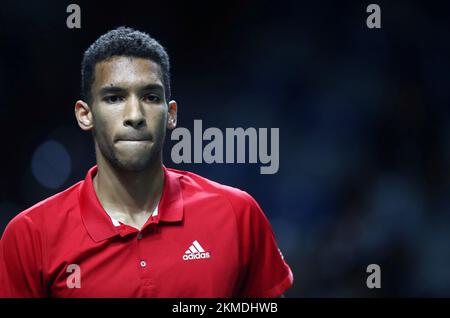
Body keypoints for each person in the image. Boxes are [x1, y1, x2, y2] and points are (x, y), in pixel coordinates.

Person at [0, 27, 293, 298]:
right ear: (85, 115)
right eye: (114, 98)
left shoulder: (236, 213)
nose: (135, 115)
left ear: (171, 114)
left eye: (151, 97)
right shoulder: (30, 235)